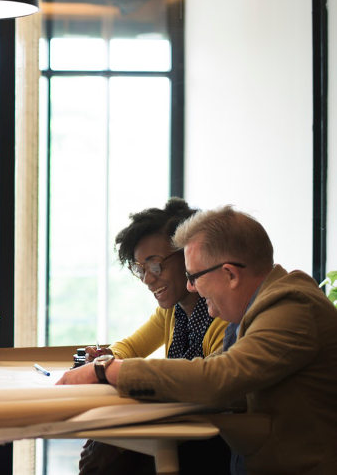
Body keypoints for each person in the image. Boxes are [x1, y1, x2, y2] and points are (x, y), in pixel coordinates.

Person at [57, 205, 337, 474]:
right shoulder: (251, 315)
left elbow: (218, 378)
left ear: (229, 274)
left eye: (194, 276)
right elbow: (217, 372)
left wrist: (107, 369)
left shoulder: (291, 306)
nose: (191, 286)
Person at [77, 198, 229, 475]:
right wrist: (106, 358)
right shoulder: (173, 312)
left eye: (155, 265)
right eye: (140, 269)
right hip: (181, 430)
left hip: (212, 443)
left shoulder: (221, 313)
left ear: (190, 256)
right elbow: (130, 347)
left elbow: (211, 390)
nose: (148, 279)